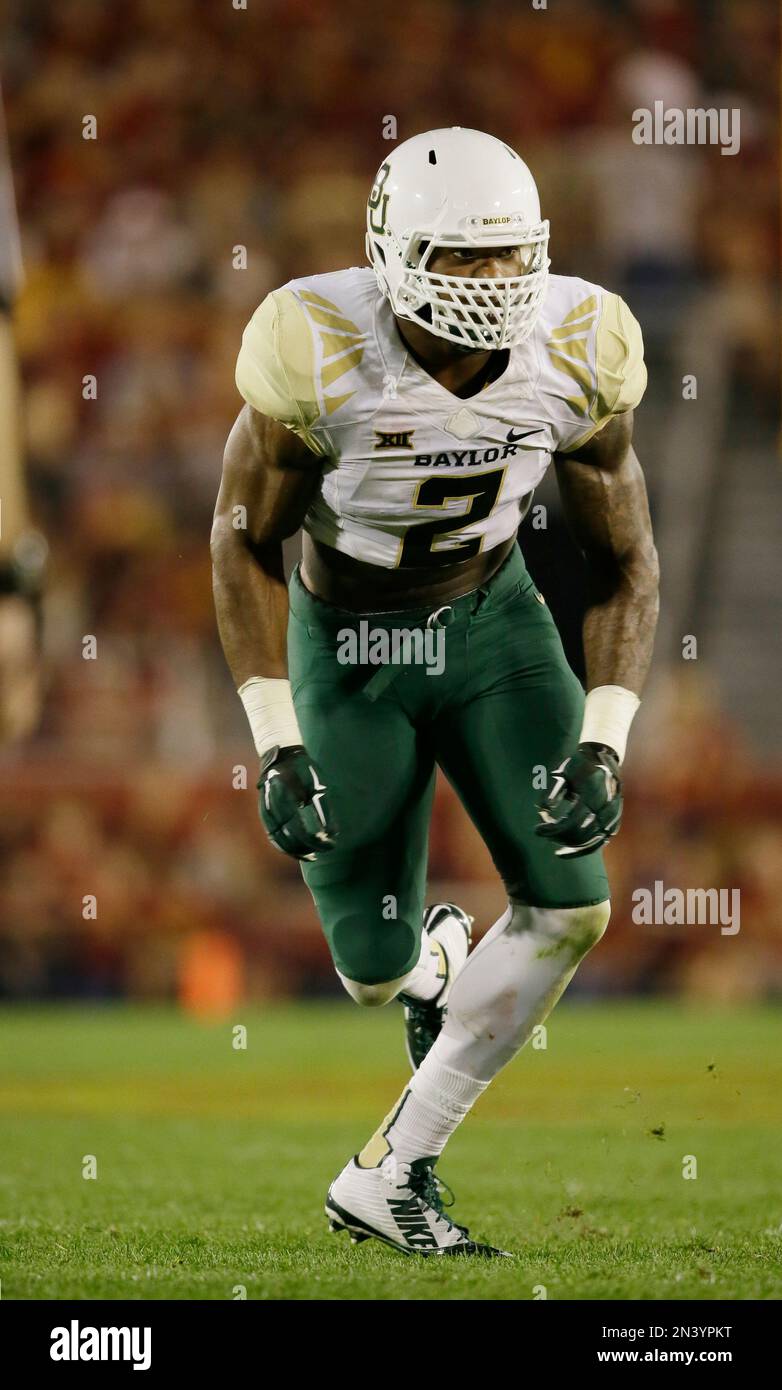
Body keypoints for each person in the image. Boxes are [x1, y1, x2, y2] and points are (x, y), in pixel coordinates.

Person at [212, 127, 659, 1256]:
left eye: (510, 257)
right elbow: (240, 542)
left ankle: (391, 1169)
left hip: (491, 622)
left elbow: (626, 559)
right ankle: (429, 962)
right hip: (349, 638)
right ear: (391, 252)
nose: (493, 284)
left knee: (571, 905)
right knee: (369, 974)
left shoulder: (579, 340)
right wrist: (273, 737)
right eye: (463, 260)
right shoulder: (314, 343)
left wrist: (606, 738)